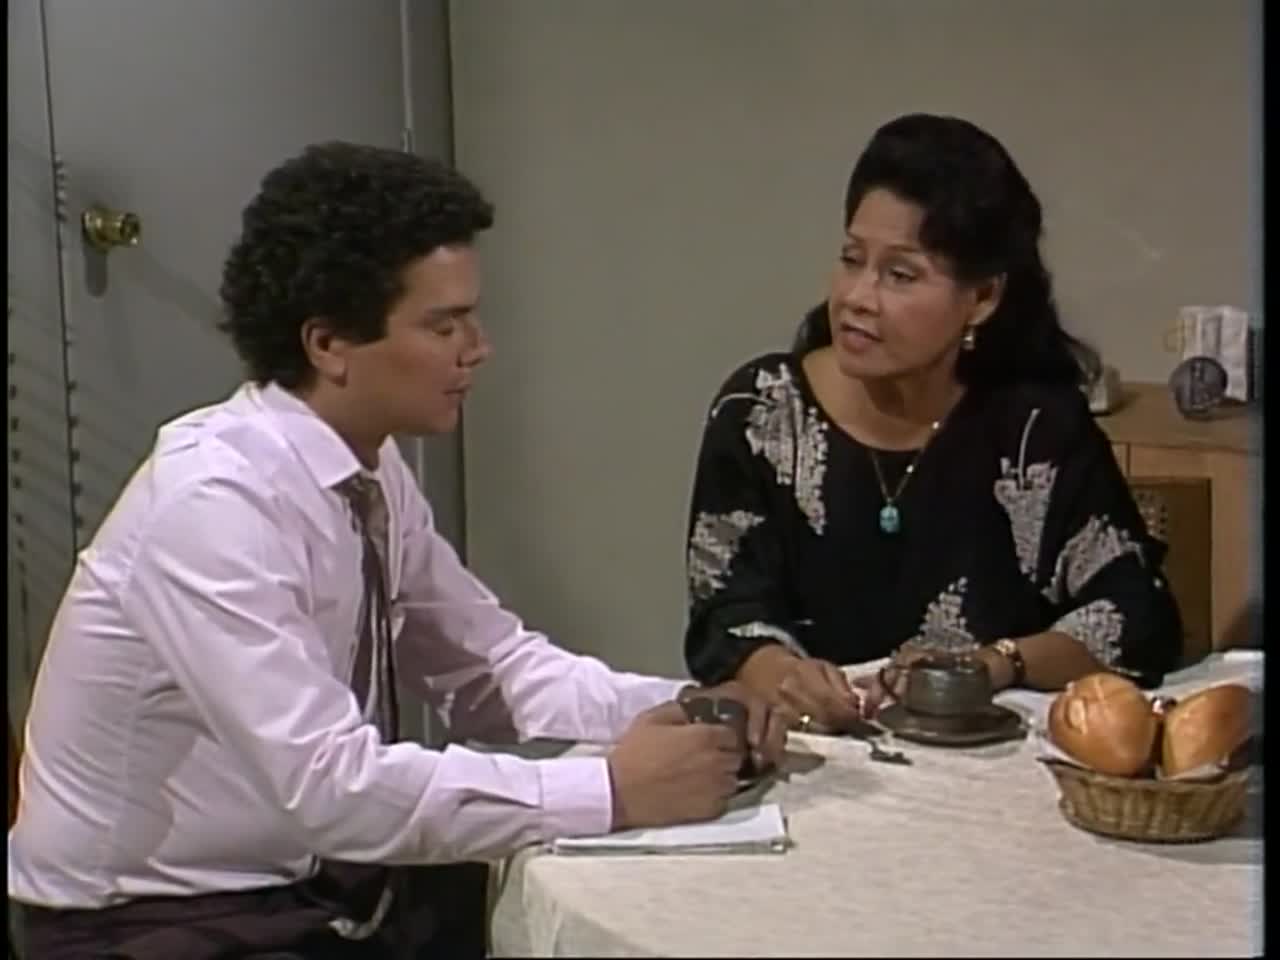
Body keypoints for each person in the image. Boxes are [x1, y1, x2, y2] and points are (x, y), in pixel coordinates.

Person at [8, 142, 787, 960]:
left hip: (318, 881)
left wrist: (695, 706)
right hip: (154, 921)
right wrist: (611, 789)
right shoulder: (213, 503)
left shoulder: (368, 469)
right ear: (328, 343)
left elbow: (490, 669)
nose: (476, 348)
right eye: (443, 325)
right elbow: (328, 785)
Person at [683, 113, 1182, 734]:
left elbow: (1136, 618)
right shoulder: (762, 414)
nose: (857, 297)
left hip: (987, 765)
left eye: (900, 274)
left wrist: (994, 665)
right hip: (812, 755)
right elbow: (725, 615)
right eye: (852, 259)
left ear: (983, 298)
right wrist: (782, 673)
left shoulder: (1033, 431)